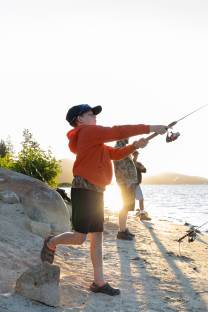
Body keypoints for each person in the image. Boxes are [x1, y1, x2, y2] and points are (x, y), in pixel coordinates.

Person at [40, 104, 167, 296]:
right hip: (83, 189)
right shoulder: (87, 132)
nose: (95, 117)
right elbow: (118, 131)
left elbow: (115, 154)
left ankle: (99, 282)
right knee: (80, 237)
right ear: (79, 119)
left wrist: (134, 146)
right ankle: (51, 242)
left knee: (97, 236)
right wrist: (150, 128)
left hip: (97, 191)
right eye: (90, 114)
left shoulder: (94, 141)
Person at [113, 139, 138, 241]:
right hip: (125, 182)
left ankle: (124, 229)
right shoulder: (120, 147)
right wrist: (127, 180)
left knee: (126, 207)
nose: (128, 137)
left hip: (127, 181)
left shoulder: (123, 146)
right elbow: (121, 165)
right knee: (125, 206)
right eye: (127, 135)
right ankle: (121, 231)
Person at [132, 150, 151, 221]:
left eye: (137, 155)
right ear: (132, 154)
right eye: (134, 154)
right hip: (130, 184)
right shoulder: (130, 163)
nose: (136, 156)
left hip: (136, 184)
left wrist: (141, 167)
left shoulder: (138, 164)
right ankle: (140, 213)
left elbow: (145, 170)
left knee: (141, 199)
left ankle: (142, 214)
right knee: (129, 200)